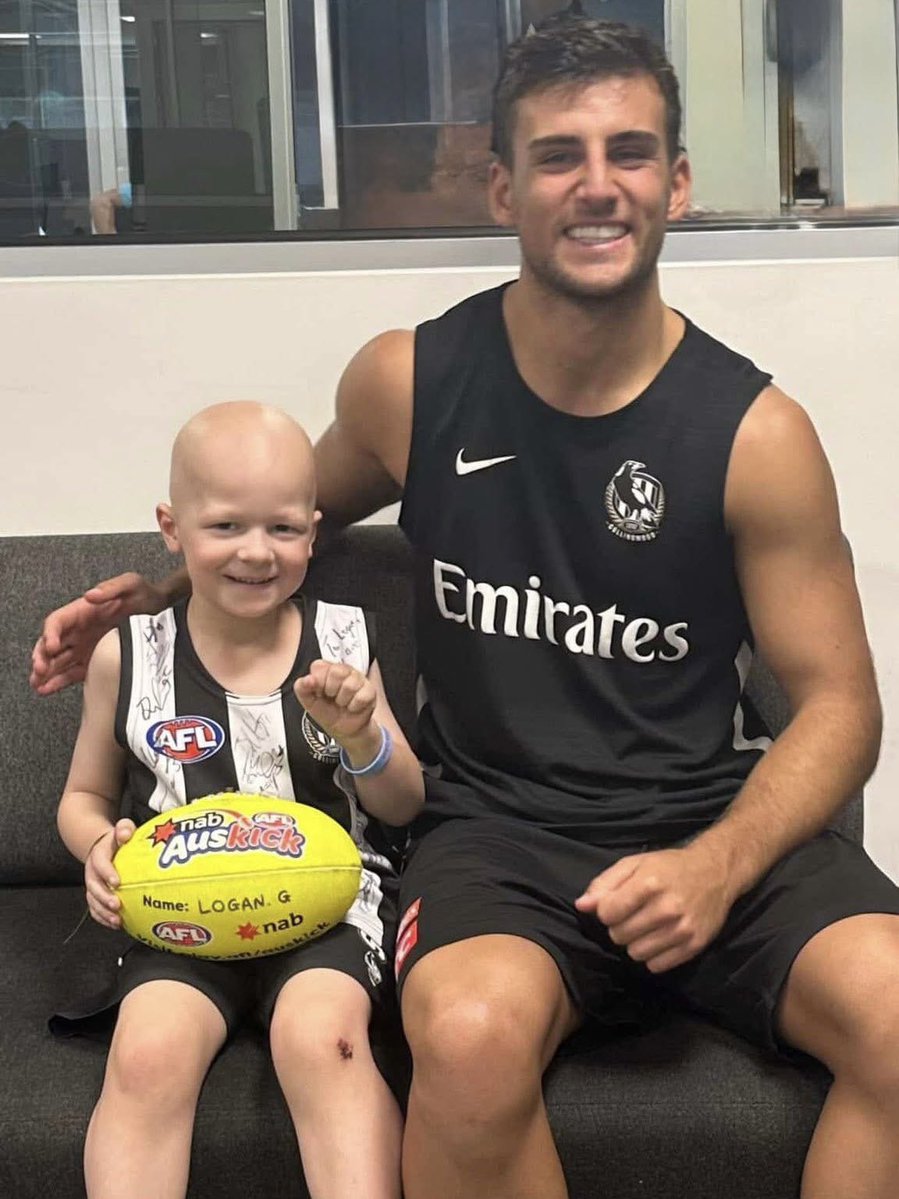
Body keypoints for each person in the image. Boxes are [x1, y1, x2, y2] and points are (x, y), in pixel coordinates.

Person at [32, 15, 899, 1199]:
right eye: (556, 156)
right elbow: (292, 525)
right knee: (466, 1034)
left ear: (678, 185)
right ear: (501, 186)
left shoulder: (757, 435)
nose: (597, 186)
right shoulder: (409, 381)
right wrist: (154, 600)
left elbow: (842, 706)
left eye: (630, 152)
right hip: (491, 829)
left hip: (705, 817)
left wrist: (713, 862)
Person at [53, 401, 423, 1199]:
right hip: (176, 905)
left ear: (314, 531)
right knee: (146, 1051)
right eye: (225, 526)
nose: (257, 552)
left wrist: (365, 739)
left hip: (328, 901)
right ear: (172, 527)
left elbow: (402, 804)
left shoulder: (344, 642)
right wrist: (95, 844)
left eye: (283, 528)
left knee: (321, 1039)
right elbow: (82, 794)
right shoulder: (128, 653)